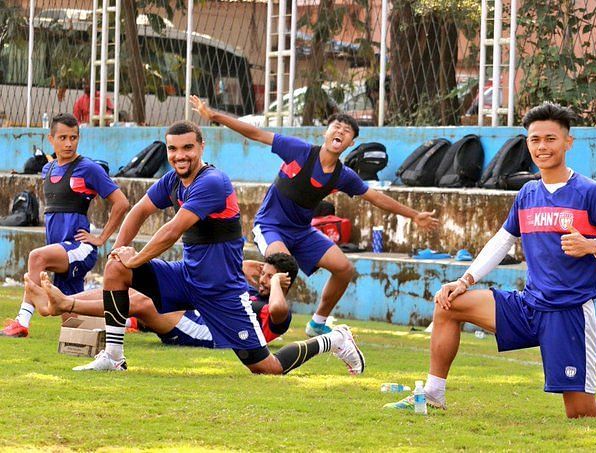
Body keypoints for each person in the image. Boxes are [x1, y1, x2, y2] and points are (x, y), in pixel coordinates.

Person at [385, 102, 596, 418]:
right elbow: (502, 241)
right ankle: (433, 395)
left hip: (569, 313)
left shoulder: (591, 192)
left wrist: (592, 246)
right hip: (528, 306)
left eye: (550, 139)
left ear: (568, 142)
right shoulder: (528, 193)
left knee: (582, 415)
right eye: (534, 139)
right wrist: (464, 281)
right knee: (448, 304)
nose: (542, 147)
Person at [71, 120, 365, 377]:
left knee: (267, 368)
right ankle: (113, 357)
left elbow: (172, 231)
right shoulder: (172, 180)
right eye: (173, 149)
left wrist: (135, 260)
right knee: (115, 269)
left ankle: (334, 339)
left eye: (187, 148)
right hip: (187, 278)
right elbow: (138, 211)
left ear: (201, 146)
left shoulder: (213, 182)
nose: (179, 156)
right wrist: (120, 251)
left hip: (222, 291)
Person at [189, 95, 440, 338]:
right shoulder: (299, 151)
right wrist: (214, 115)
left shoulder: (343, 175)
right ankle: (253, 321)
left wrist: (415, 215)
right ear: (326, 132)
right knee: (281, 268)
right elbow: (256, 133)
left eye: (347, 130)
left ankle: (317, 323)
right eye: (336, 127)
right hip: (270, 226)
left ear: (351, 142)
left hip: (301, 231)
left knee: (344, 268)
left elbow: (375, 197)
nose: (340, 132)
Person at [1, 113, 129, 338]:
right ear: (51, 139)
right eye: (62, 138)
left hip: (78, 247)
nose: (69, 143)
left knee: (36, 258)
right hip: (59, 247)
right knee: (73, 321)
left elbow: (122, 203)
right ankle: (131, 318)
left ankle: (22, 321)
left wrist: (100, 238)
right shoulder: (47, 170)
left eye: (73, 137)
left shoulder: (88, 168)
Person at [27, 254, 300, 349]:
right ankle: (60, 303)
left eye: (270, 278)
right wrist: (256, 270)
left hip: (209, 335)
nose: (262, 280)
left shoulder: (279, 312)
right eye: (263, 274)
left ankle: (64, 305)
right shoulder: (250, 291)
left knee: (142, 302)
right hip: (194, 317)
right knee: (133, 294)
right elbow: (234, 269)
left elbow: (276, 308)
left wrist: (275, 283)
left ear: (285, 282)